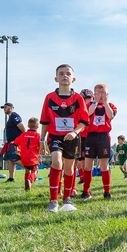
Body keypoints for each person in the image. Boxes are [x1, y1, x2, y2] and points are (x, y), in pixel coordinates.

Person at [39, 64, 90, 213]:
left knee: (68, 168)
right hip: (55, 137)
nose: (64, 76)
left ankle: (67, 199)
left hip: (72, 137)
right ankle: (53, 201)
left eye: (68, 73)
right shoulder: (49, 98)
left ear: (73, 78)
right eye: (61, 74)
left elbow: (84, 121)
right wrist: (42, 140)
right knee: (56, 161)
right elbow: (45, 121)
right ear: (56, 78)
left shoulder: (78, 98)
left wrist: (75, 132)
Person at [81, 83, 118, 200]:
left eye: (103, 93)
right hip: (91, 136)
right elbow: (88, 114)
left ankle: (107, 191)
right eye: (98, 93)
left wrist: (105, 102)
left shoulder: (110, 105)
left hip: (104, 137)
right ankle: (86, 191)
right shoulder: (89, 104)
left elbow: (110, 115)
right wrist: (95, 102)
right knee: (88, 165)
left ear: (107, 94)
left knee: (104, 165)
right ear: (94, 94)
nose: (101, 96)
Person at [13, 117, 42, 191]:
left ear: (28, 126)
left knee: (27, 170)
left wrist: (17, 150)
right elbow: (41, 146)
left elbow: (15, 143)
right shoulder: (38, 135)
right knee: (35, 171)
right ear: (38, 126)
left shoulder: (23, 135)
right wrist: (43, 151)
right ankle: (30, 180)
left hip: (24, 157)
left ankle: (27, 185)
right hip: (33, 158)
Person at [1, 102, 25, 182]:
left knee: (14, 159)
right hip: (10, 142)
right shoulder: (10, 117)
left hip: (15, 143)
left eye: (6, 107)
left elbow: (22, 127)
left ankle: (31, 169)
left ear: (11, 108)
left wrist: (18, 140)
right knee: (9, 159)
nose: (4, 109)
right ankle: (11, 178)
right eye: (3, 108)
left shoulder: (14, 115)